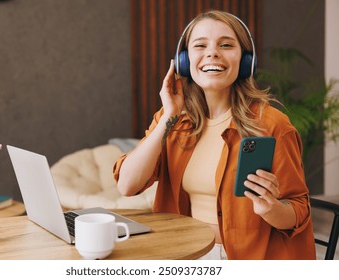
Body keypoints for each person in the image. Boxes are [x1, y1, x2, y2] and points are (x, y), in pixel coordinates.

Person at [113, 10, 316, 260]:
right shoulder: (172, 120)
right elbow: (127, 184)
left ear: (245, 61)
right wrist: (168, 116)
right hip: (185, 253)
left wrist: (271, 208)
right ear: (184, 61)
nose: (212, 53)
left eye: (226, 44)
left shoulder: (272, 124)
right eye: (200, 45)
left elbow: (298, 210)